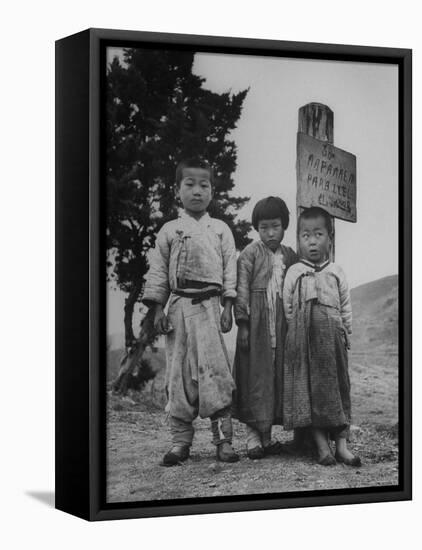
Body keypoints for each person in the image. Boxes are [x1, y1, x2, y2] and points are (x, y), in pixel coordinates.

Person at [142, 158, 239, 466]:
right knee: (178, 375)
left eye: (204, 185)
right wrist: (157, 308)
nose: (197, 191)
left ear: (213, 191)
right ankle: (180, 443)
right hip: (179, 310)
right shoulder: (170, 230)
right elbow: (158, 271)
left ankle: (223, 441)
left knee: (216, 373)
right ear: (177, 190)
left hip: (211, 309)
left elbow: (230, 270)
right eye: (190, 184)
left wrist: (228, 305)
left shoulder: (220, 229)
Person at [283, 207, 361, 466]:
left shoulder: (336, 271)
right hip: (305, 343)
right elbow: (288, 306)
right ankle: (321, 448)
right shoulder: (295, 271)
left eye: (318, 234)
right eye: (306, 235)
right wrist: (295, 333)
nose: (312, 240)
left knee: (338, 388)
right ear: (298, 239)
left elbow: (345, 305)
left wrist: (346, 330)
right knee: (311, 391)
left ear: (330, 237)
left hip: (333, 341)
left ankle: (342, 446)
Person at [233, 196, 297, 459]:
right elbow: (241, 292)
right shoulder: (249, 254)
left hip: (281, 328)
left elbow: (297, 288)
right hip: (256, 327)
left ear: (285, 226)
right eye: (264, 227)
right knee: (254, 379)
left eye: (275, 226)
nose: (270, 233)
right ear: (256, 229)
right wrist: (244, 325)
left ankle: (268, 438)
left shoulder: (290, 255)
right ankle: (252, 438)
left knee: (273, 380)